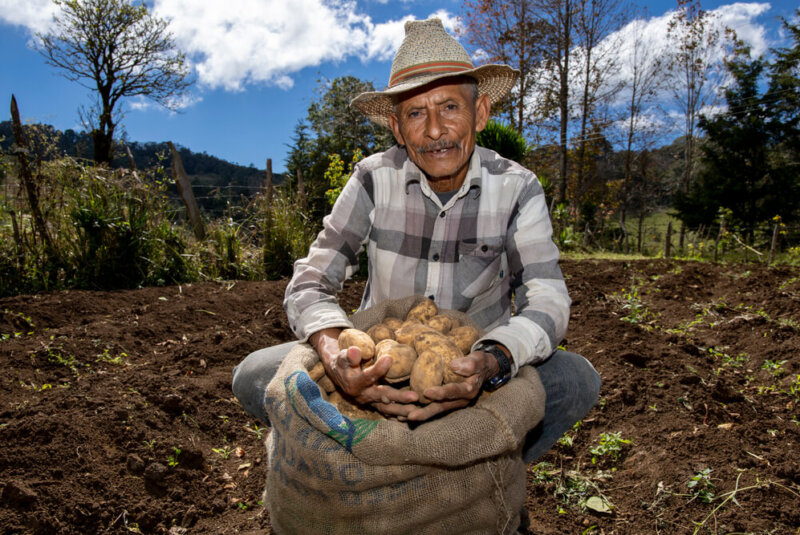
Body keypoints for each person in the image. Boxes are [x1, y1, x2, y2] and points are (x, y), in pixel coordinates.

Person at [233, 17, 600, 463]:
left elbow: (547, 298)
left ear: (480, 112)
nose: (433, 130)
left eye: (449, 107)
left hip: (472, 378)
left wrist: (491, 362)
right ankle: (387, 466)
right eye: (415, 113)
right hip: (379, 373)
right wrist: (336, 355)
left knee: (577, 380)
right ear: (396, 127)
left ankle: (485, 474)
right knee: (253, 376)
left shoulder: (517, 188)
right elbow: (311, 279)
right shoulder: (373, 178)